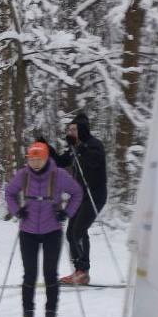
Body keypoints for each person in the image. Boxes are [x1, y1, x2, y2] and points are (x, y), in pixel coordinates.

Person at [5, 142, 83, 317]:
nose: (35, 163)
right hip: (28, 230)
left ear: (47, 157)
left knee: (50, 273)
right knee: (29, 274)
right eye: (32, 159)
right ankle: (28, 314)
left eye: (39, 159)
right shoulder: (23, 175)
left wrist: (66, 213)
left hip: (52, 230)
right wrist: (17, 211)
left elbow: (77, 193)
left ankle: (50, 314)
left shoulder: (59, 175)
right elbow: (9, 193)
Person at [55, 112, 107, 285]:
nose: (71, 132)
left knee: (78, 231)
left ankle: (83, 271)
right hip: (80, 195)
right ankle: (79, 270)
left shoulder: (94, 145)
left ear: (83, 129)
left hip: (95, 195)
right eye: (69, 129)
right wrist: (48, 150)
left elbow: (93, 164)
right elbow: (62, 162)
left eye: (74, 129)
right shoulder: (75, 147)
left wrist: (80, 150)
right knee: (71, 232)